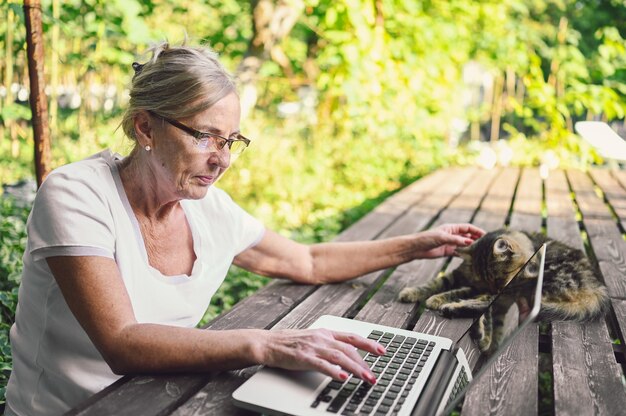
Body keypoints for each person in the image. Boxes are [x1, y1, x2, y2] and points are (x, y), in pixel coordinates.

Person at [5, 42, 485, 416]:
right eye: (205, 136)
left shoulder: (210, 210)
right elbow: (123, 342)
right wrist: (266, 342)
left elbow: (307, 261)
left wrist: (419, 245)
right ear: (145, 129)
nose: (223, 160)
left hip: (167, 399)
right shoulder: (76, 193)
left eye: (231, 140)